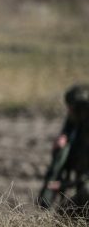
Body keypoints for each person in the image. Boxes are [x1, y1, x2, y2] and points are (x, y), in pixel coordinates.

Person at [37, 83, 89, 214]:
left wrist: (63, 185)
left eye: (72, 108)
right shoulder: (79, 111)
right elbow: (69, 125)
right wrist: (64, 136)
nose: (69, 111)